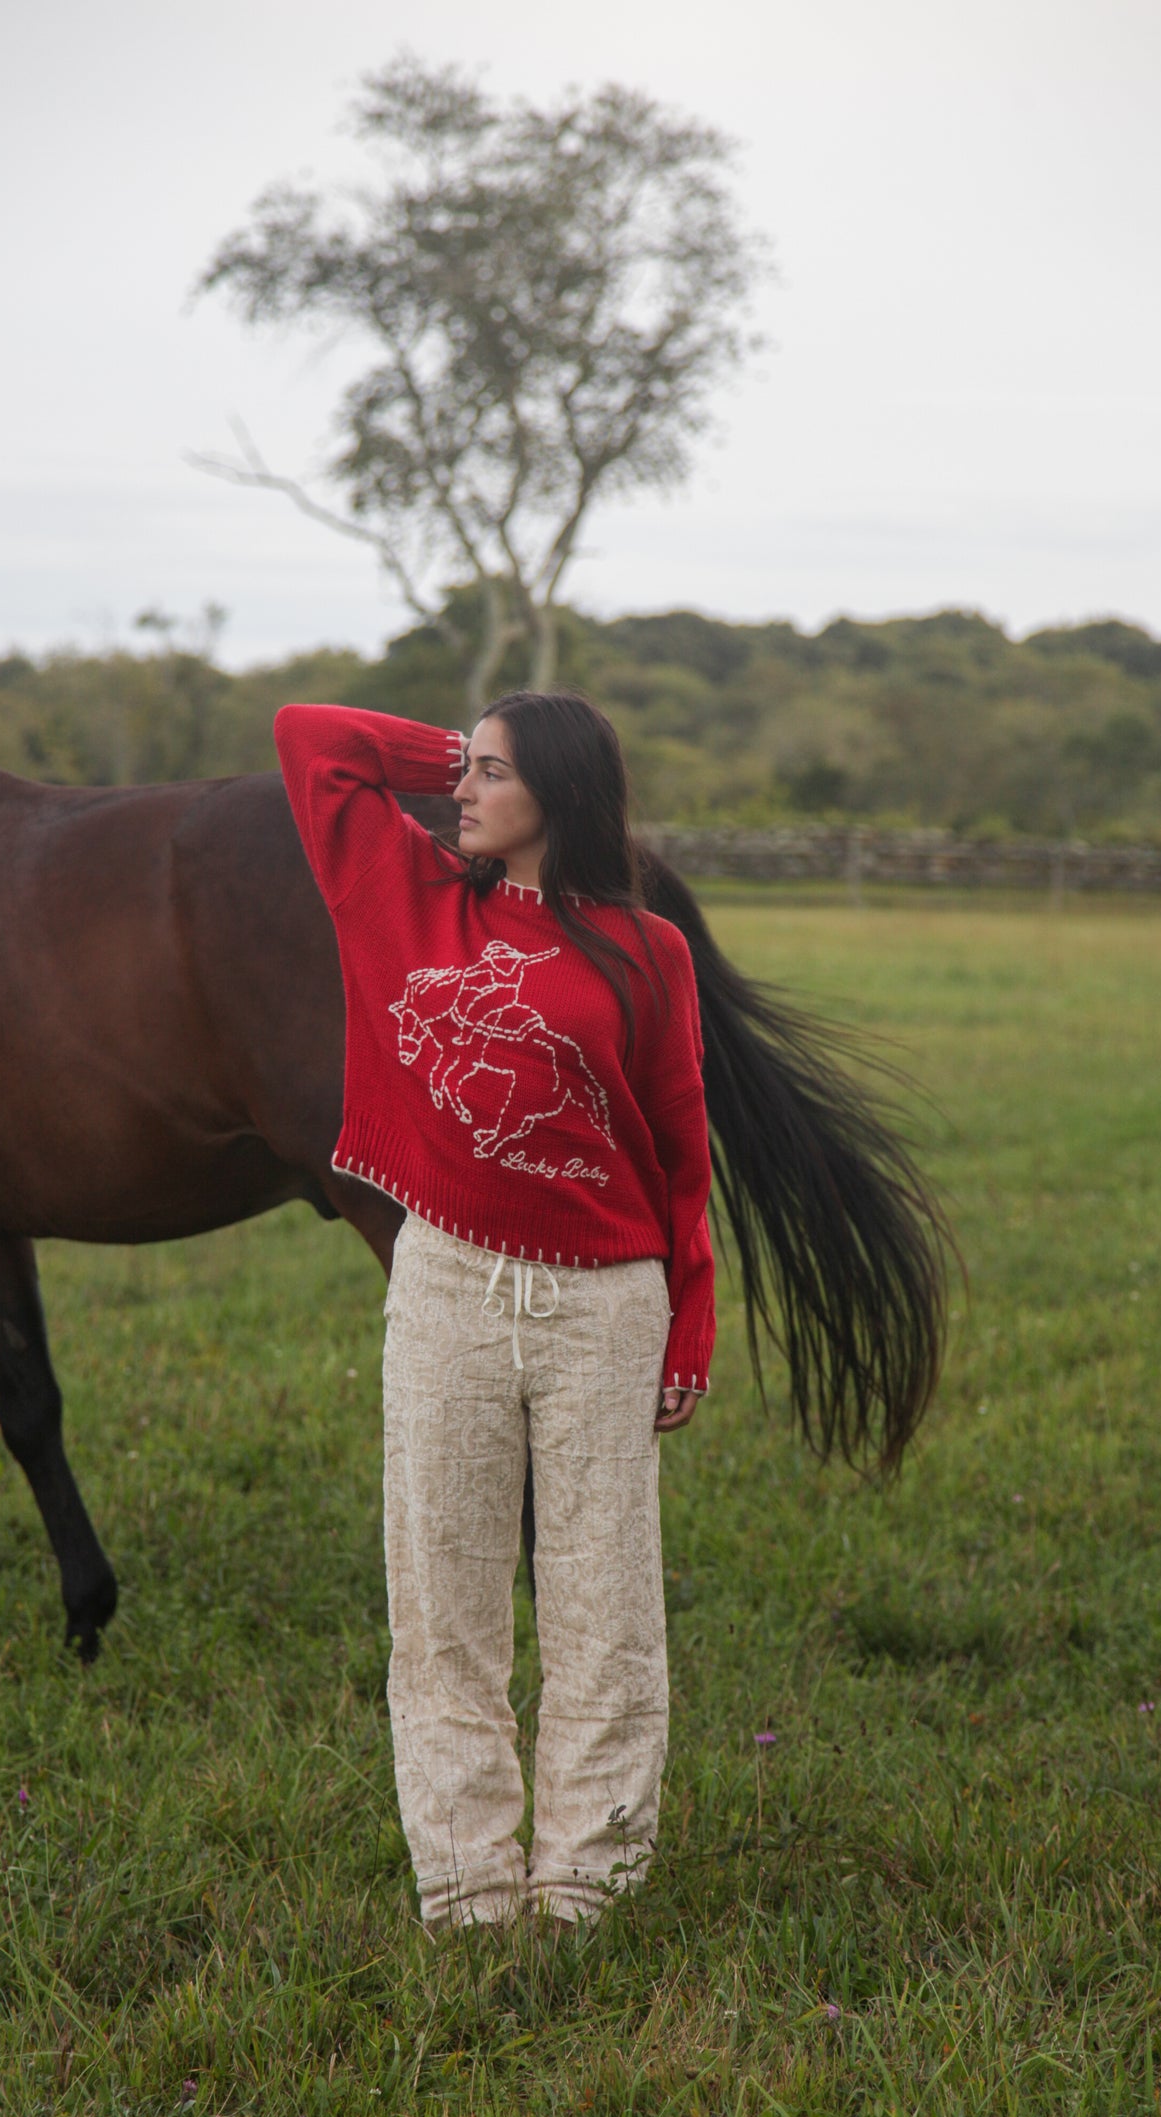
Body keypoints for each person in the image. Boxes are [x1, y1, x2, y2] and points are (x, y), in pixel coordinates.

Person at [274, 689, 714, 1930]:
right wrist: (455, 744)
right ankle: (467, 1886)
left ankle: (587, 1878)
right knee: (442, 1600)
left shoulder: (648, 951)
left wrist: (688, 1321)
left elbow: (682, 1153)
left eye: (490, 774)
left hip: (605, 1303)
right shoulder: (401, 895)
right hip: (448, 1281)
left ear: (561, 796)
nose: (459, 792)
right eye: (460, 771)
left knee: (603, 1602)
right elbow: (308, 735)